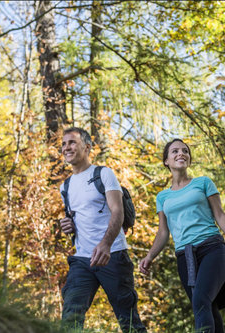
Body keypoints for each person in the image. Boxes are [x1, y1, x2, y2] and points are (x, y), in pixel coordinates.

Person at [139, 139, 225, 333]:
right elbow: (163, 232)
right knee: (208, 306)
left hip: (212, 248)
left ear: (189, 159)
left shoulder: (203, 182)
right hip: (185, 256)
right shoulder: (162, 197)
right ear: (166, 160)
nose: (181, 154)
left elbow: (220, 215)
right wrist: (149, 256)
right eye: (174, 151)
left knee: (201, 300)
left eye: (185, 151)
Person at [59, 127, 146, 332]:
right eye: (63, 144)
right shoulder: (66, 186)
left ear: (87, 147)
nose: (66, 147)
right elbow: (77, 218)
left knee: (128, 319)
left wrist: (105, 244)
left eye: (72, 142)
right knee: (71, 314)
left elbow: (118, 212)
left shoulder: (103, 174)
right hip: (82, 259)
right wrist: (68, 226)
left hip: (113, 254)